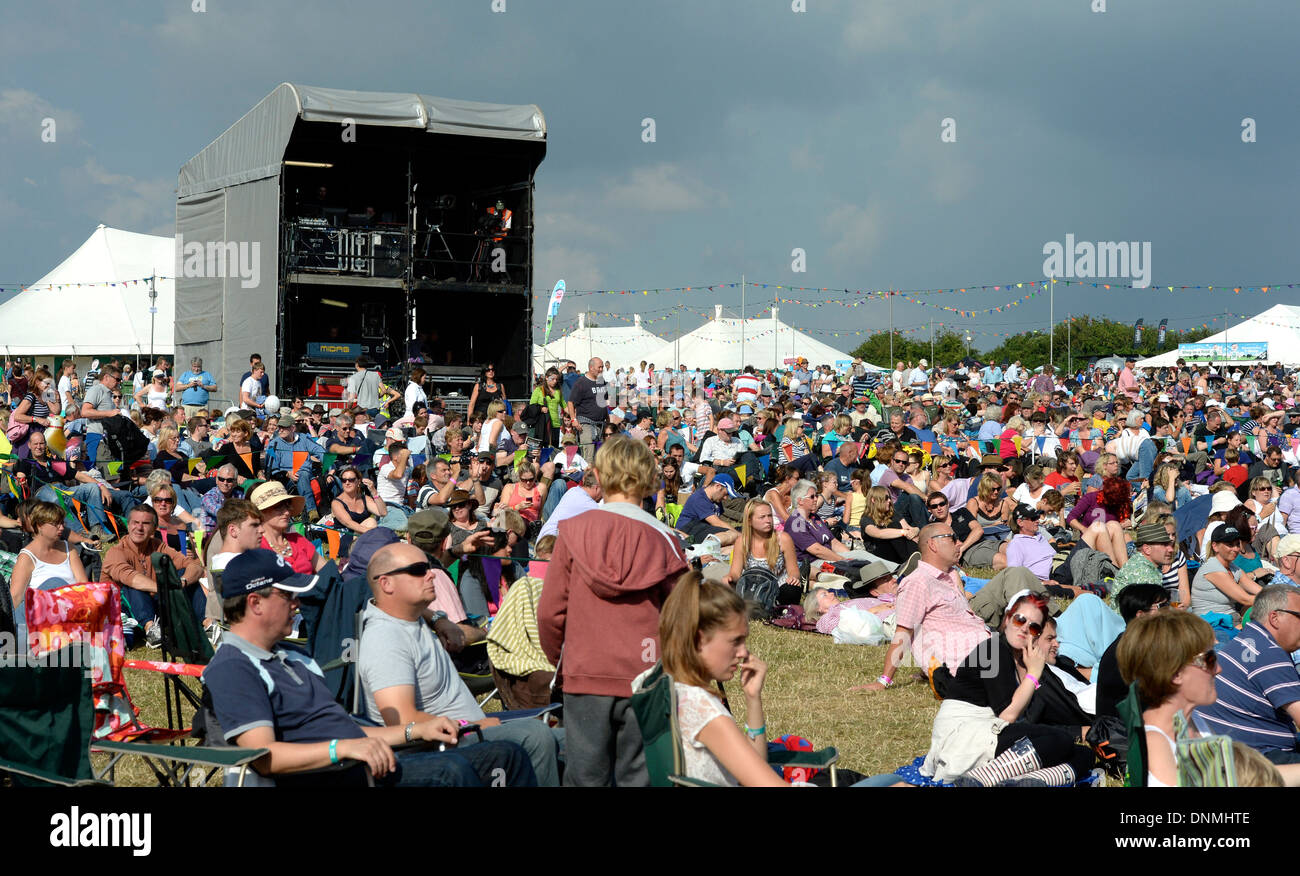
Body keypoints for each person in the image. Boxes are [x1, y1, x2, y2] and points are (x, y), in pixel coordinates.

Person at [201, 549, 537, 787]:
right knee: (450, 772)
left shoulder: (294, 657)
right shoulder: (233, 666)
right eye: (287, 595)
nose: (297, 604)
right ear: (254, 603)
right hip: (329, 776)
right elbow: (262, 755)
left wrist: (415, 731)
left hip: (362, 763)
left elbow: (348, 728)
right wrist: (342, 749)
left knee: (505, 755)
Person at [540, 434, 689, 786]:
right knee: (639, 778)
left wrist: (564, 660)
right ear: (649, 478)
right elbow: (681, 621)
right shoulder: (667, 540)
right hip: (646, 674)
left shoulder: (573, 531)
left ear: (600, 475)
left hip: (586, 670)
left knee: (584, 777)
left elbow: (550, 613)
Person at [357, 541, 562, 786]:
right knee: (537, 736)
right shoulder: (385, 639)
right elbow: (402, 721)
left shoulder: (407, 616)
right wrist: (472, 724)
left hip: (471, 732)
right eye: (419, 570)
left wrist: (437, 619)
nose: (431, 573)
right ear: (386, 583)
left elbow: (394, 603)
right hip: (447, 744)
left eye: (429, 566)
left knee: (580, 742)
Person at [924, 592, 1094, 786]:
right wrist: (1033, 674)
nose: (1024, 629)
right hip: (961, 737)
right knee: (1059, 740)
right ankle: (981, 779)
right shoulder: (992, 651)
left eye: (1033, 627)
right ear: (1007, 619)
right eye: (1020, 619)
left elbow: (1028, 720)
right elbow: (1008, 718)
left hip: (988, 735)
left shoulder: (1020, 659)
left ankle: (1029, 781)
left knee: (1084, 754)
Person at [650, 572, 787, 786]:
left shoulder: (664, 688)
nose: (743, 652)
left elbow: (754, 767)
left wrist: (752, 698)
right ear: (698, 639)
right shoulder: (704, 711)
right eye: (735, 641)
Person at [853, 523, 988, 695]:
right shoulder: (918, 582)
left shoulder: (949, 576)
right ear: (932, 544)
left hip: (985, 655)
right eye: (952, 538)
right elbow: (903, 633)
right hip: (972, 665)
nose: (959, 543)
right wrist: (883, 681)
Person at [1192, 585, 1300, 768]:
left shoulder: (1248, 639)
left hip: (1228, 747)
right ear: (1275, 618)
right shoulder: (1270, 653)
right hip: (1254, 759)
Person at [103, 505, 204, 648]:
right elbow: (130, 577)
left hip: (154, 605)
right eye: (135, 523)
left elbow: (195, 567)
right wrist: (166, 588)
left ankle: (208, 625)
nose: (139, 528)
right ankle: (151, 630)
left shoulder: (158, 546)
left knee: (184, 574)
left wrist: (183, 581)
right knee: (132, 584)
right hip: (124, 612)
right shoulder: (116, 552)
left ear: (154, 528)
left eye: (145, 523)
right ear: (128, 525)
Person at [7, 501, 88, 648]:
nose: (62, 528)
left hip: (70, 614)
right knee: (54, 584)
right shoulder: (26, 557)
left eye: (62, 523)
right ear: (39, 526)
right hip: (40, 622)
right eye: (56, 524)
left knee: (60, 588)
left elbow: (83, 585)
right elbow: (16, 597)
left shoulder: (68, 549)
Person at [1093, 582, 1171, 720]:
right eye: (1162, 607)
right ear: (1141, 615)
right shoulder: (1129, 652)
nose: (1169, 611)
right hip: (1124, 733)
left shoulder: (1140, 643)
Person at [1190, 524, 1261, 631]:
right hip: (1211, 626)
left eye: (1237, 544)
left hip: (1231, 620)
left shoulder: (1234, 568)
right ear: (1215, 546)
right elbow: (1245, 599)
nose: (1236, 549)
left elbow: (1261, 592)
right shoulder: (1212, 568)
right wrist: (1276, 600)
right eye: (1230, 544)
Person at [251, 481, 326, 575]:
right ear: (262, 512)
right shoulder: (255, 547)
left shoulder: (298, 539)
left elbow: (327, 571)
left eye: (287, 506)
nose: (286, 512)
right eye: (278, 507)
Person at [725, 498, 800, 590]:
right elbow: (735, 573)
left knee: (792, 590)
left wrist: (793, 577)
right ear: (749, 521)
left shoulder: (783, 539)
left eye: (769, 516)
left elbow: (793, 569)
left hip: (779, 586)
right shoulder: (742, 542)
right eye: (762, 517)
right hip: (752, 587)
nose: (768, 520)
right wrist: (730, 578)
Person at [674, 473, 740, 546]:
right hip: (688, 530)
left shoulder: (716, 500)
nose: (725, 498)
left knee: (736, 535)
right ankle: (702, 549)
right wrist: (740, 536)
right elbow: (717, 523)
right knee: (733, 535)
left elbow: (720, 522)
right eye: (725, 494)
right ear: (718, 486)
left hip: (702, 528)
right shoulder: (699, 498)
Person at [566, 358, 609, 460]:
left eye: (602, 367)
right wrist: (573, 419)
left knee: (600, 456)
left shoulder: (601, 382)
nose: (601, 369)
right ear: (591, 367)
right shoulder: (581, 382)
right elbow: (570, 402)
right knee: (588, 456)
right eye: (599, 367)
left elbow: (603, 402)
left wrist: (607, 419)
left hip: (600, 424)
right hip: (586, 424)